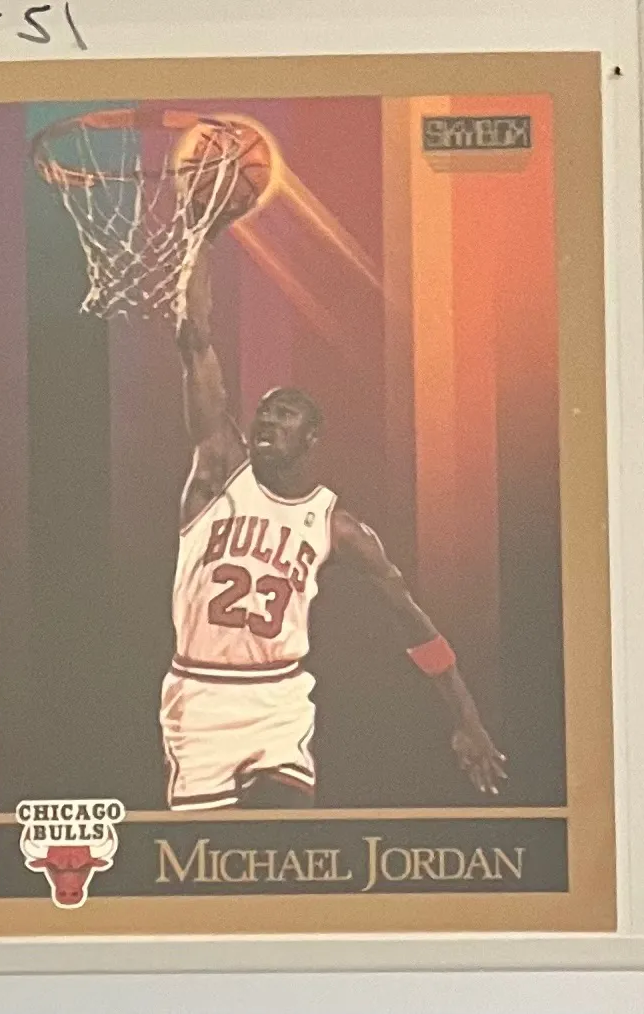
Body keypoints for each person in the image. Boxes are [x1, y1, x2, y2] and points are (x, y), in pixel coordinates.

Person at [162, 240, 507, 810]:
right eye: (264, 411)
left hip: (279, 698)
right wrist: (204, 236)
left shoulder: (337, 526)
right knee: (209, 853)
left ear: (311, 438)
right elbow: (193, 338)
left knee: (291, 838)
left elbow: (413, 622)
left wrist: (467, 720)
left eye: (285, 414)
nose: (268, 419)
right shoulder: (218, 472)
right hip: (201, 696)